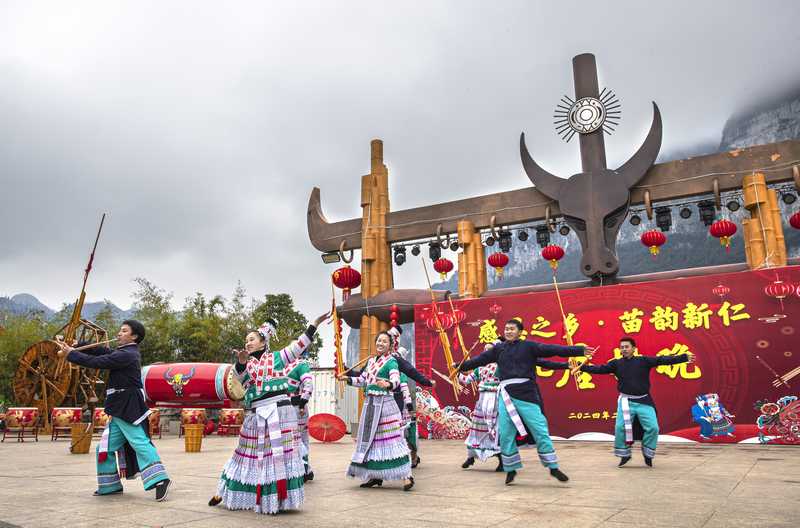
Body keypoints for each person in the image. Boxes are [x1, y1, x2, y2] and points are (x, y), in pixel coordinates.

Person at [209, 312, 329, 514]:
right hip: (256, 413)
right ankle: (225, 489)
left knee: (278, 455)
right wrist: (240, 362)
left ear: (263, 341)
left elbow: (300, 345)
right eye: (246, 340)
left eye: (252, 339)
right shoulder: (246, 365)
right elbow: (239, 380)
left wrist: (314, 324)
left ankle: (278, 499)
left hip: (280, 411)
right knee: (244, 453)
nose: (247, 342)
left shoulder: (278, 358)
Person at [455, 319, 596, 485]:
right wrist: (460, 366)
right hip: (505, 395)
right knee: (506, 434)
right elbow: (478, 360)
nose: (508, 331)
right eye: (506, 329)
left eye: (512, 329)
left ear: (520, 331)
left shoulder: (529, 347)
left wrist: (578, 350)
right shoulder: (498, 349)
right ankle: (510, 469)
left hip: (527, 394)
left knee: (540, 429)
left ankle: (552, 466)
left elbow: (552, 350)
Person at [56, 320, 171, 501]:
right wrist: (79, 345)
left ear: (134, 336)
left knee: (139, 442)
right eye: (119, 330)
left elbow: (98, 361)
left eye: (124, 331)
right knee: (104, 448)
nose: (119, 333)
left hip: (128, 406)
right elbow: (102, 351)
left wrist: (71, 354)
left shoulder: (129, 355)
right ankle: (110, 486)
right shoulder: (123, 352)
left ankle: (160, 479)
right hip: (118, 406)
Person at [579, 336, 693, 467]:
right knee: (620, 427)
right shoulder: (616, 363)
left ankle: (648, 453)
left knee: (653, 428)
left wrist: (683, 357)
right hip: (626, 402)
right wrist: (582, 367)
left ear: (634, 348)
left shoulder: (643, 361)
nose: (624, 349)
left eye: (627, 347)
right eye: (622, 347)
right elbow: (599, 369)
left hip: (644, 401)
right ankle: (625, 455)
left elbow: (663, 360)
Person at [459, 354, 571, 472]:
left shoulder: (503, 367)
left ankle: (502, 461)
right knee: (477, 432)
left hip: (497, 400)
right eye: (486, 351)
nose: (487, 353)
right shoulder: (479, 369)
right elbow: (466, 380)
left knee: (496, 431)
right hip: (482, 403)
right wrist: (457, 372)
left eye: (490, 351)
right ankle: (471, 457)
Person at [341, 331, 414, 491]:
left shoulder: (391, 362)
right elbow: (363, 380)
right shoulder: (371, 361)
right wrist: (347, 379)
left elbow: (395, 379)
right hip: (371, 405)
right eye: (379, 341)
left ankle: (407, 476)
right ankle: (374, 476)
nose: (380, 344)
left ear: (390, 345)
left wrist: (388, 384)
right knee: (371, 440)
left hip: (386, 406)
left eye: (384, 342)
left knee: (393, 440)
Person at [285, 351, 314, 480]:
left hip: (298, 407)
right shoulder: (284, 365)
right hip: (284, 407)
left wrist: (303, 402)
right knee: (289, 439)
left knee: (301, 439)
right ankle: (301, 470)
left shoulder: (302, 365)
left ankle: (304, 469)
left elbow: (308, 384)